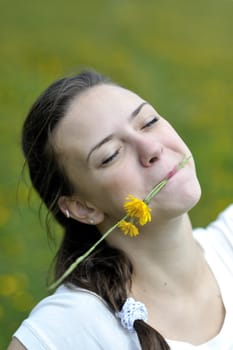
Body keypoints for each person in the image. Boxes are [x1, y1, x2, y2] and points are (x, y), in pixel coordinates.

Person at [8, 70, 233, 350]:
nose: (151, 147)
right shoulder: (66, 331)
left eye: (148, 122)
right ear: (82, 208)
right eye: (111, 154)